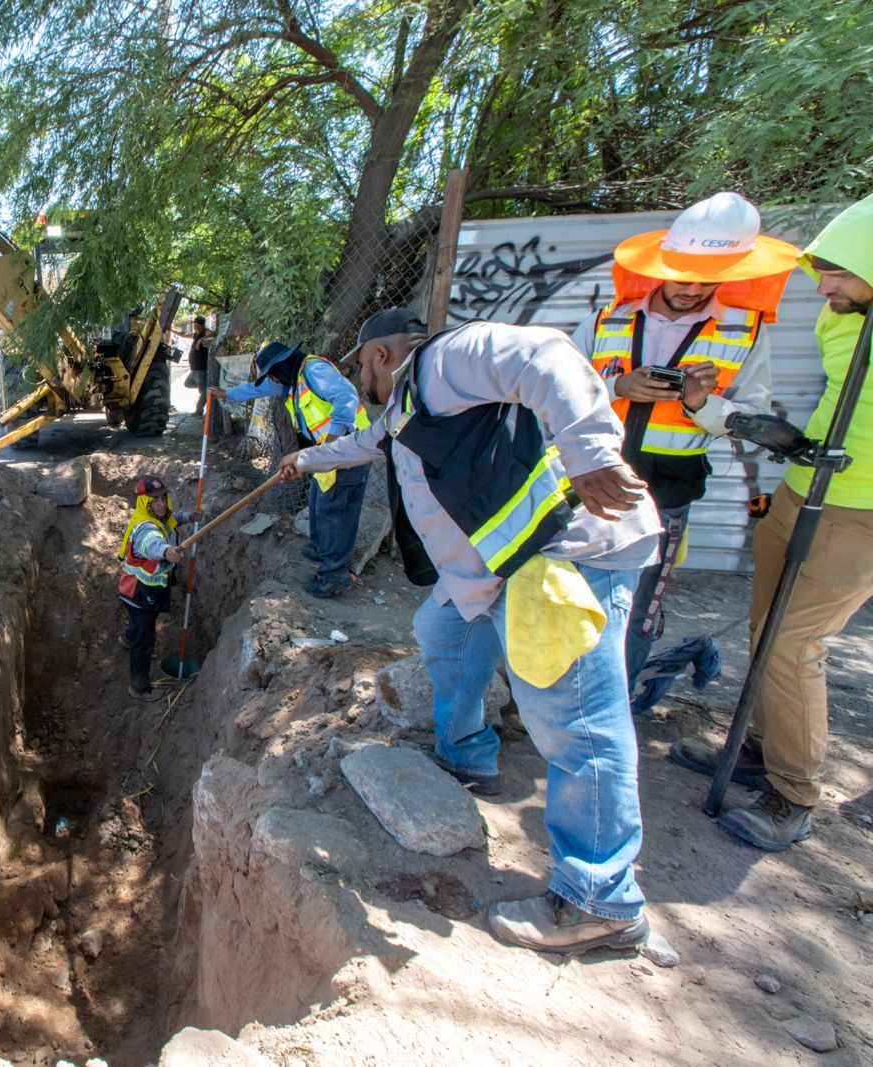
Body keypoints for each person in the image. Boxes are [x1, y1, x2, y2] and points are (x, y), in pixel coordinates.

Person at [279, 308, 661, 955]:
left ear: (379, 354)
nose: (360, 379)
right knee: (441, 628)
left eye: (360, 366)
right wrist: (304, 458)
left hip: (560, 559)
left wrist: (591, 450)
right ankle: (466, 752)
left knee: (577, 722)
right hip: (496, 574)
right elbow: (363, 444)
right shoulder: (405, 407)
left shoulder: (447, 360)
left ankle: (601, 898)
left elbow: (546, 356)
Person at [670, 193, 873, 852]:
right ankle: (757, 746)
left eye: (838, 271)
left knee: (793, 643)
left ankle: (793, 793)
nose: (824, 285)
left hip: (861, 512)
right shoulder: (842, 320)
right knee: (767, 625)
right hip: (805, 486)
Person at [571, 192, 799, 694]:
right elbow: (557, 389)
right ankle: (562, 689)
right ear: (662, 265)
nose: (691, 288)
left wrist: (703, 404)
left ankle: (614, 699)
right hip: (588, 477)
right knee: (568, 588)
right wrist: (617, 388)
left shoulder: (745, 333)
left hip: (666, 492)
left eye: (706, 279)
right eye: (682, 275)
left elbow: (753, 420)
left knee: (636, 600)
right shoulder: (607, 319)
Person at [209, 339, 366, 599]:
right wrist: (228, 395)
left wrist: (333, 440)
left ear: (280, 366)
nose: (272, 380)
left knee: (336, 510)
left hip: (350, 449)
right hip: (327, 453)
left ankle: (335, 574)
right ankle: (321, 547)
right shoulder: (290, 378)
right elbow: (256, 389)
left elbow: (347, 397)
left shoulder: (313, 371)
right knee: (318, 499)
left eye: (272, 374)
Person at [118, 475, 190, 702]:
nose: (161, 503)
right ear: (144, 503)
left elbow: (171, 520)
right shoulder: (144, 527)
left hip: (134, 592)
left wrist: (188, 517)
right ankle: (139, 687)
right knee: (145, 639)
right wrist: (167, 551)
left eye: (163, 498)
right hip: (140, 595)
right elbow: (151, 542)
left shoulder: (160, 516)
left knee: (137, 627)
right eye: (155, 500)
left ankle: (128, 639)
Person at [188, 316, 216, 416]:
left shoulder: (205, 332)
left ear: (201, 325)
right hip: (194, 370)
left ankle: (199, 410)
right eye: (194, 323)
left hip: (201, 369)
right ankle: (203, 390)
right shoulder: (196, 334)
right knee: (187, 383)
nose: (195, 325)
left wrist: (201, 340)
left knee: (204, 390)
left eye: (197, 324)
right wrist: (173, 331)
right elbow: (184, 334)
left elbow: (212, 333)